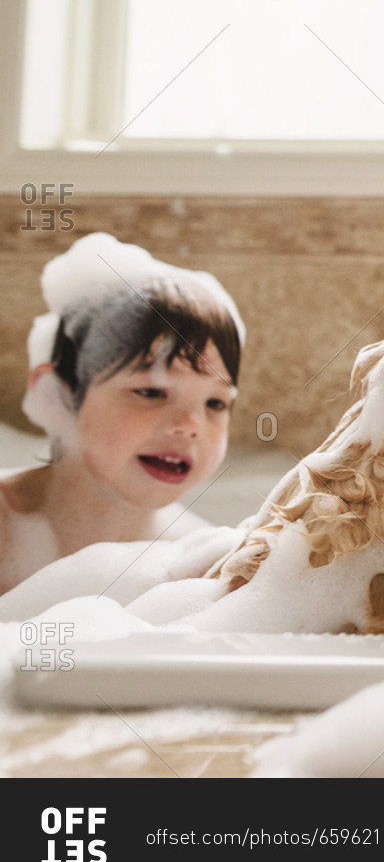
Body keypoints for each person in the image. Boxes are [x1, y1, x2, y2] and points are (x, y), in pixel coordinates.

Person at [0, 233, 244, 593]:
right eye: (151, 392)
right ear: (58, 397)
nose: (191, 425)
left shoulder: (200, 563)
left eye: (215, 404)